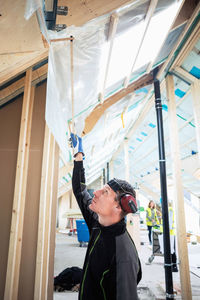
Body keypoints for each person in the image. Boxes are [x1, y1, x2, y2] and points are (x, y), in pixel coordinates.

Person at [70, 133, 142, 300]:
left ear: (118, 206)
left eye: (105, 192)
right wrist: (78, 157)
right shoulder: (98, 222)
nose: (95, 192)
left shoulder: (123, 256)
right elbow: (80, 191)